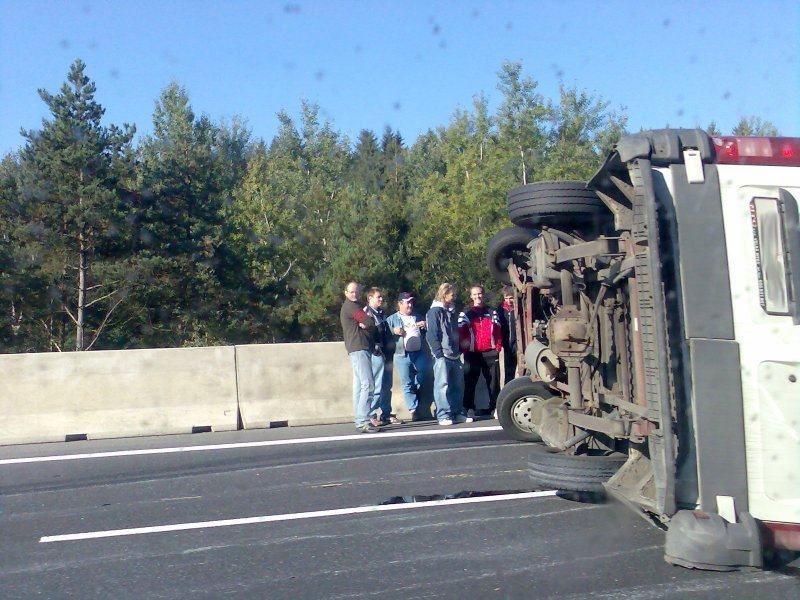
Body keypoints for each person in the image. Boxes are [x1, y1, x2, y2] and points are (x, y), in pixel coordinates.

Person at [426, 283, 471, 426]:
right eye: (451, 294)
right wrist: (438, 353)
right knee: (442, 385)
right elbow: (432, 334)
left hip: (454, 354)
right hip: (442, 355)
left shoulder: (451, 312)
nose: (453, 297)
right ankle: (443, 414)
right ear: (444, 294)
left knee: (456, 385)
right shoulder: (434, 312)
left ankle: (457, 412)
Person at [340, 280, 380, 433]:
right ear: (346, 293)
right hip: (359, 347)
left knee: (359, 385)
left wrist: (364, 324)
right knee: (368, 384)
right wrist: (365, 324)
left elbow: (366, 323)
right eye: (351, 292)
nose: (354, 294)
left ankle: (360, 419)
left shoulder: (351, 307)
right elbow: (369, 322)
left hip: (356, 348)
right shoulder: (352, 307)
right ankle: (363, 420)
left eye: (356, 291)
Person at [458, 284, 502, 419]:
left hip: (490, 352)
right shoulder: (465, 313)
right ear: (471, 296)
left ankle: (495, 407)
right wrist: (464, 350)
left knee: (494, 382)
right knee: (470, 382)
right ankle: (469, 408)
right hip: (472, 353)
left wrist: (498, 346)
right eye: (475, 294)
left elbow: (498, 330)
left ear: (483, 294)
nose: (478, 296)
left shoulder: (492, 311)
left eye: (480, 294)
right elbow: (461, 333)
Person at [386, 292, 427, 422]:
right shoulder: (392, 319)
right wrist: (394, 331)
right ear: (400, 304)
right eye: (407, 302)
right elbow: (383, 333)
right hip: (401, 354)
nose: (410, 305)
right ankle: (413, 409)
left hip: (419, 352)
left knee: (423, 375)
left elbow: (427, 332)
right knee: (406, 382)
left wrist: (424, 326)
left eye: (411, 302)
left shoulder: (417, 316)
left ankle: (416, 397)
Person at [364, 287, 402, 426]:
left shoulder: (381, 313)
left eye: (381, 297)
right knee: (377, 385)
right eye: (378, 297)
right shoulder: (366, 313)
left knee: (387, 386)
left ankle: (386, 414)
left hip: (387, 353)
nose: (381, 299)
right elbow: (366, 334)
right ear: (370, 298)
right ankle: (371, 414)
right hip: (377, 354)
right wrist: (374, 348)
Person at [497, 285, 518, 385]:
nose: (508, 301)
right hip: (507, 345)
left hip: (519, 344)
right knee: (509, 371)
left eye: (511, 298)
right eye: (506, 298)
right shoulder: (500, 310)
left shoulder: (520, 309)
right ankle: (508, 389)